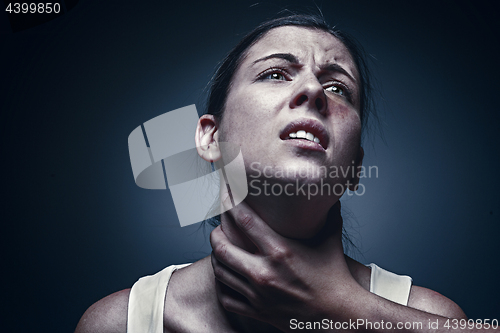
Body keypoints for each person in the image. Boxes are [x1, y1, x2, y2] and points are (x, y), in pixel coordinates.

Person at [75, 14, 492, 333]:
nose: (312, 90)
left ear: (354, 169)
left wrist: (347, 308)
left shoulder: (432, 317)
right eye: (275, 73)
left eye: (337, 88)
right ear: (209, 138)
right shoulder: (118, 323)